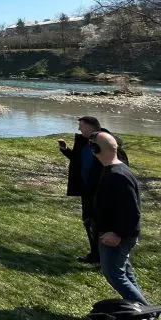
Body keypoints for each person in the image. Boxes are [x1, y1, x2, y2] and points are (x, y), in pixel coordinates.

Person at [91, 131, 148, 305]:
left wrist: (117, 234)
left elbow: (132, 211)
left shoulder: (118, 175)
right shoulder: (113, 170)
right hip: (112, 233)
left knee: (115, 274)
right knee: (124, 272)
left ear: (95, 149)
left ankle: (148, 312)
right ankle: (141, 308)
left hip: (116, 237)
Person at [58, 115, 125, 264]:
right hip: (87, 191)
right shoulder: (84, 142)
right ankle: (94, 255)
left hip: (103, 193)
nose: (79, 129)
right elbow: (78, 159)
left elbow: (118, 165)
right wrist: (66, 150)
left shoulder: (108, 143)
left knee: (104, 225)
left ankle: (110, 259)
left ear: (90, 127)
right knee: (88, 222)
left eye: (81, 126)